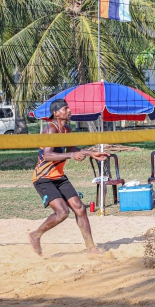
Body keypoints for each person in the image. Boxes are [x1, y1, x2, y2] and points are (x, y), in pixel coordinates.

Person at [29, 99, 109, 256]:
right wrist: (72, 155)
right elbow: (47, 155)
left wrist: (91, 153)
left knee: (80, 208)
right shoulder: (50, 129)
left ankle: (91, 249)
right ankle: (35, 235)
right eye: (65, 108)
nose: (69, 110)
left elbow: (72, 148)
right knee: (62, 212)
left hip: (59, 176)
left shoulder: (67, 129)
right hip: (43, 178)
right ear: (56, 113)